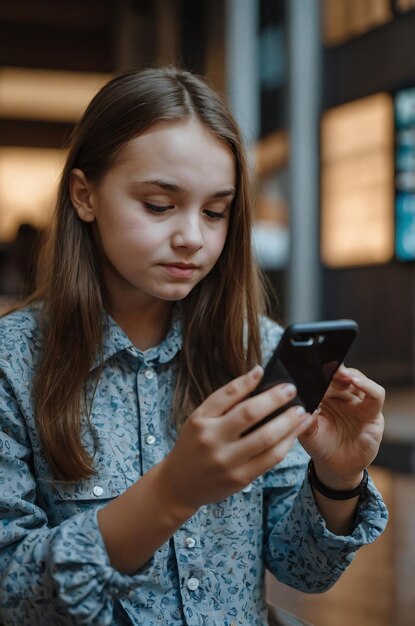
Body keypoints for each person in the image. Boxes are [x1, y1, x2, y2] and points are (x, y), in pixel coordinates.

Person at [0, 67, 387, 626]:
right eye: (159, 205)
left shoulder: (257, 350)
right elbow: (14, 595)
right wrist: (172, 492)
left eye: (215, 211)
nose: (193, 237)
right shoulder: (13, 365)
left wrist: (337, 478)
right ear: (85, 195)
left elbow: (302, 568)